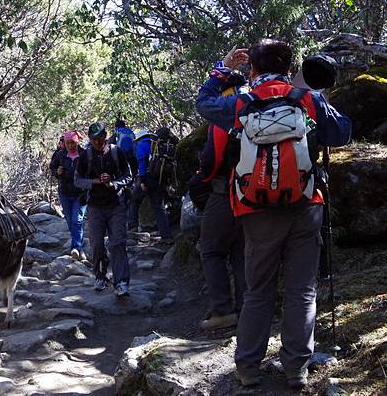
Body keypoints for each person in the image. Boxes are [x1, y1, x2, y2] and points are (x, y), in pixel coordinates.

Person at [196, 40, 351, 388]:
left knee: (257, 290)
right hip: (305, 205)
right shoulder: (308, 99)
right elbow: (342, 133)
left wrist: (223, 70)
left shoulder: (241, 103)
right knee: (301, 289)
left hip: (255, 208)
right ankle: (296, 367)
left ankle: (249, 367)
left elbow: (203, 104)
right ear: (287, 67)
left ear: (252, 69)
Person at [191, 81, 248, 331]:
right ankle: (248, 309)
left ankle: (223, 310)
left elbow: (211, 161)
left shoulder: (225, 117)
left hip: (225, 193)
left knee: (211, 250)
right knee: (241, 252)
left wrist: (201, 178)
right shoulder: (263, 108)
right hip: (257, 194)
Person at [74, 122, 133, 297]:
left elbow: (129, 175)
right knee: (97, 244)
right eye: (93, 140)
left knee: (118, 244)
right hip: (95, 207)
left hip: (116, 205)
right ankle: (100, 276)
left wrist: (113, 183)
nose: (96, 143)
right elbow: (77, 180)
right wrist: (94, 182)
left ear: (105, 136)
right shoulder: (86, 156)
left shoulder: (116, 152)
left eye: (99, 139)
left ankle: (121, 282)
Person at [128, 128, 173, 243]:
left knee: (134, 200)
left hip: (148, 179)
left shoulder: (143, 145)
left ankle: (133, 225)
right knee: (159, 208)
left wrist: (142, 181)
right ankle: (166, 236)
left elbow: (142, 164)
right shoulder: (161, 146)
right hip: (161, 180)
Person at [50, 130, 87, 260]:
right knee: (70, 221)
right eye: (68, 143)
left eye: (73, 143)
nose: (70, 145)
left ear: (78, 142)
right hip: (65, 192)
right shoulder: (60, 155)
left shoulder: (84, 155)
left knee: (77, 220)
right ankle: (78, 246)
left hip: (80, 194)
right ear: (64, 143)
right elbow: (52, 167)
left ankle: (76, 247)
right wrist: (56, 172)